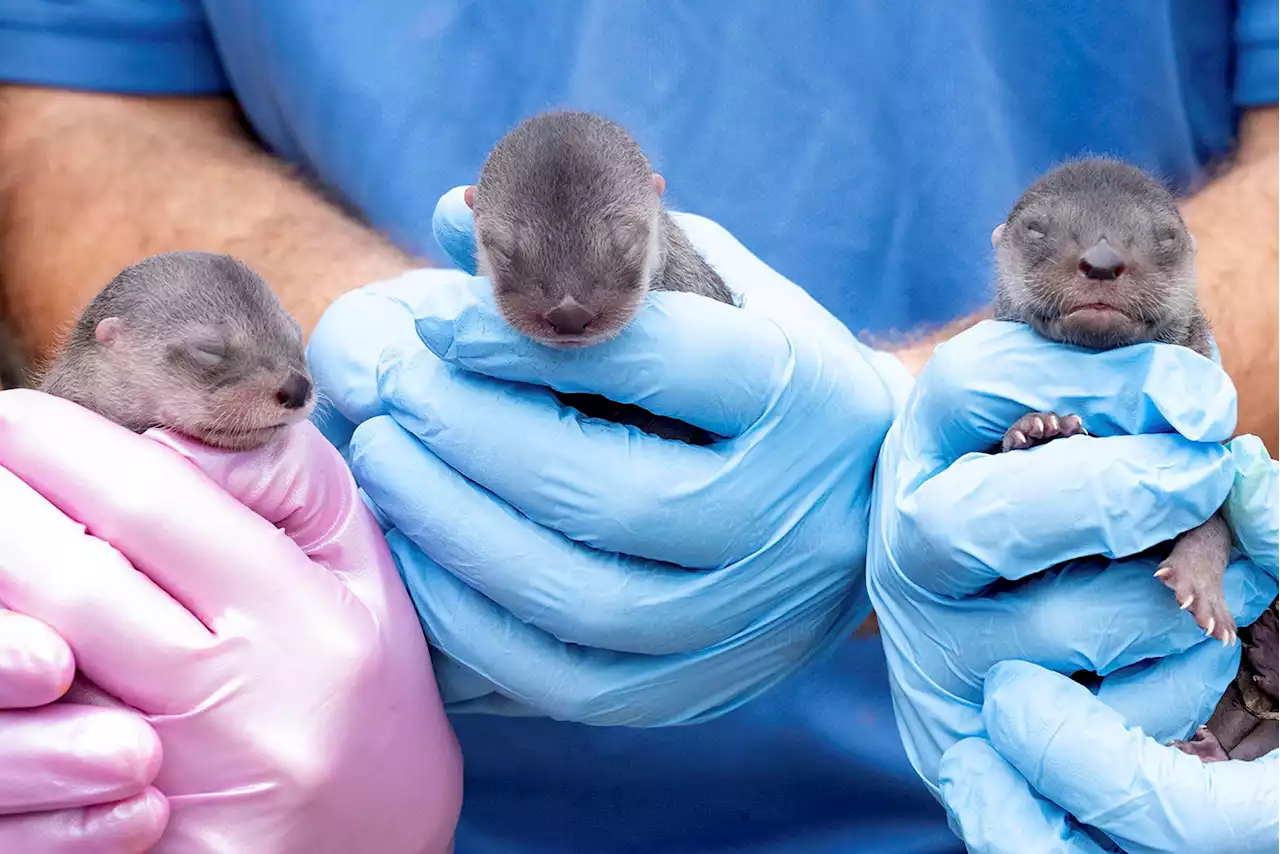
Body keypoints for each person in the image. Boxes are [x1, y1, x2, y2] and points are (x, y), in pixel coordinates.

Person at [2, 1, 1280, 851]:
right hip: (328, 779)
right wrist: (347, 398)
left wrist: (944, 439)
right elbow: (76, 100)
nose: (563, 310)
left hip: (1092, 755)